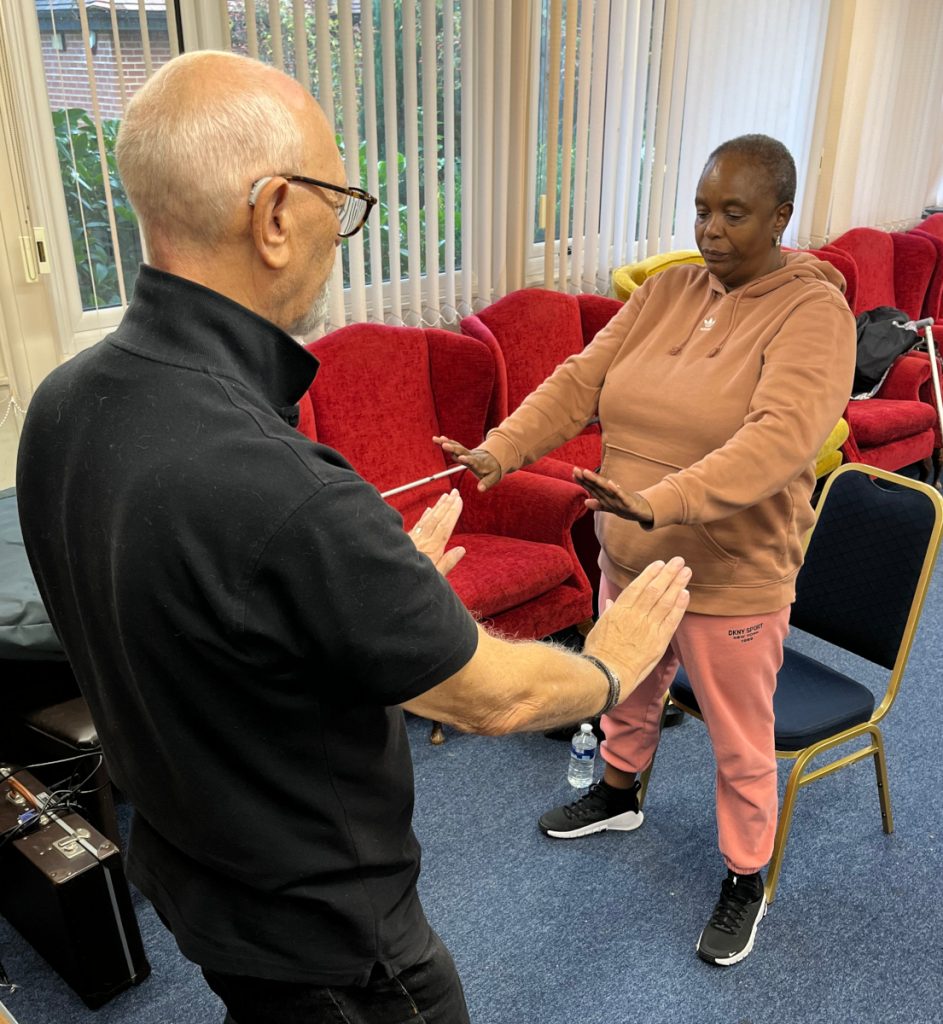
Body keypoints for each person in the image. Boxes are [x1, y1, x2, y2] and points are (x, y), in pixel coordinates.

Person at [15, 51, 691, 1024]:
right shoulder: (282, 489)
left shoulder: (65, 404)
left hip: (198, 888)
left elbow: (197, 625)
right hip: (337, 946)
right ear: (277, 213)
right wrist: (608, 666)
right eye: (343, 198)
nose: (344, 225)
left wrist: (364, 594)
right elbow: (483, 695)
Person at [436, 134, 856, 966]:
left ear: (780, 216)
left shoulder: (814, 313)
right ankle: (618, 792)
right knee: (624, 687)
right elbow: (577, 382)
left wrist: (660, 501)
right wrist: (501, 450)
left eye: (734, 213)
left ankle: (746, 877)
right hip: (627, 552)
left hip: (731, 574)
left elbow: (779, 441)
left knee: (740, 741)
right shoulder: (666, 290)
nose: (711, 229)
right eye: (702, 209)